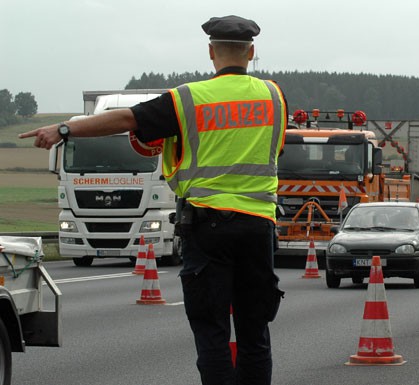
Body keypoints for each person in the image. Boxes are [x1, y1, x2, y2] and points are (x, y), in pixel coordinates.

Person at [20, 15, 287, 385]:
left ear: (211, 52)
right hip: (259, 227)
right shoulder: (274, 97)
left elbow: (125, 119)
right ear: (251, 52)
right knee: (255, 333)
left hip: (208, 227)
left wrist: (64, 128)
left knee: (212, 334)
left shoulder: (189, 99)